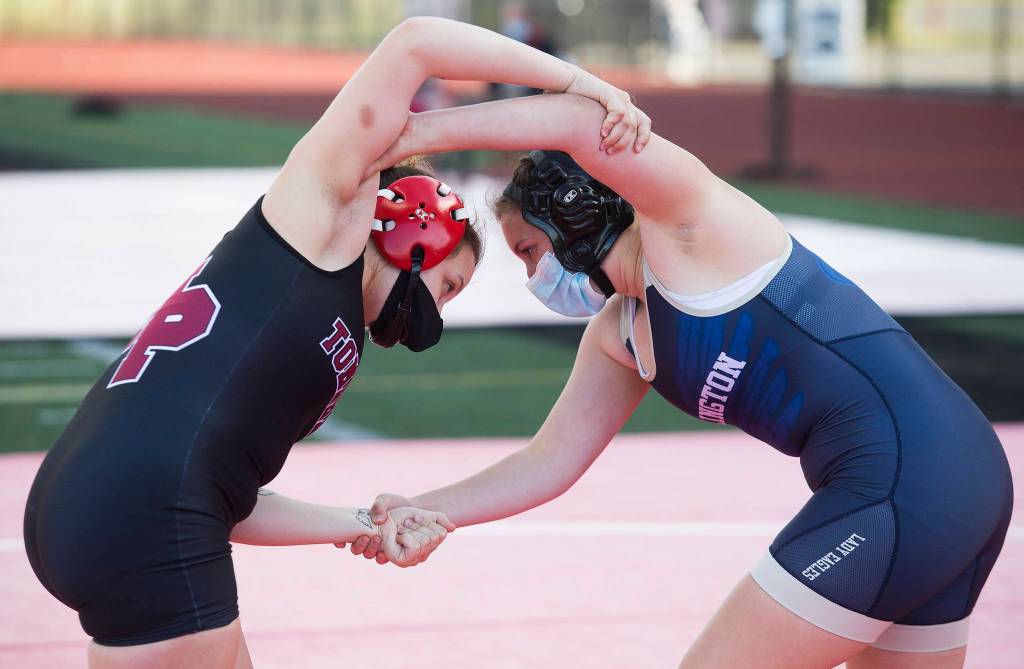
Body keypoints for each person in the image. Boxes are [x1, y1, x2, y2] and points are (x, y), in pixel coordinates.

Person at [21, 17, 646, 669]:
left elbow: (228, 495)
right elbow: (416, 42)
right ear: (418, 235)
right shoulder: (328, 216)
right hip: (147, 504)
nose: (440, 310)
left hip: (97, 498)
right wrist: (578, 84)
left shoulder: (328, 315)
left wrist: (362, 521)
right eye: (450, 283)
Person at [346, 82, 1013, 667]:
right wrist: (425, 506)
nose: (533, 279)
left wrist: (411, 136)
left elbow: (577, 121)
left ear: (574, 212)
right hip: (951, 480)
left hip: (907, 482)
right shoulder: (619, 333)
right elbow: (547, 462)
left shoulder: (691, 225)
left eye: (529, 251)